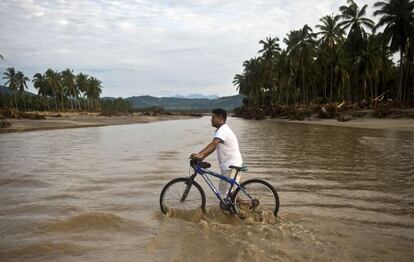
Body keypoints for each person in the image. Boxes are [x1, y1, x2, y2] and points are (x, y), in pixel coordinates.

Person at [190, 108, 243, 209]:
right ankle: (242, 210)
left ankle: (244, 210)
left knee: (225, 196)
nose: (211, 119)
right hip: (232, 165)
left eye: (213, 117)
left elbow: (214, 144)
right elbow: (213, 148)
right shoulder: (221, 130)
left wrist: (199, 155)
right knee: (230, 195)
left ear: (220, 119)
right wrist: (201, 157)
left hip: (231, 166)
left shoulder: (223, 130)